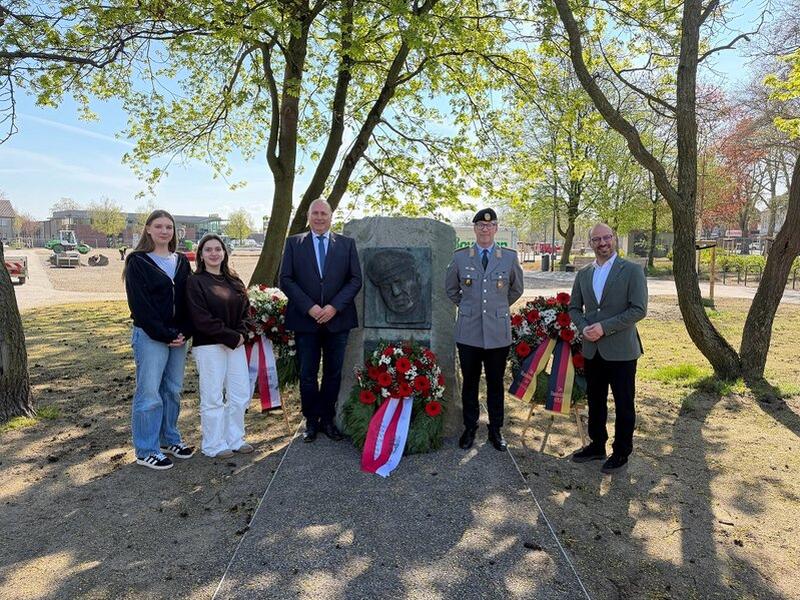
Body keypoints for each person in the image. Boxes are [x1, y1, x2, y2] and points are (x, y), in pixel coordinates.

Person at [279, 198, 362, 442]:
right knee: (307, 373)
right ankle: (311, 420)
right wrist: (311, 308)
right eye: (314, 213)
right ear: (308, 215)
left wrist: (334, 307)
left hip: (338, 320)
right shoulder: (294, 243)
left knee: (333, 373)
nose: (319, 217)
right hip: (306, 321)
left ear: (331, 216)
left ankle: (327, 418)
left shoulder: (346, 244)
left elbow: (355, 280)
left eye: (323, 213)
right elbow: (286, 279)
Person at [568, 223, 648, 473]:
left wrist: (604, 327)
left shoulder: (632, 271)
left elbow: (638, 309)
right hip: (593, 350)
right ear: (590, 243)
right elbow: (573, 308)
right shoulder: (583, 274)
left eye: (607, 238)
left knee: (624, 403)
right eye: (596, 239)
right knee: (596, 400)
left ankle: (622, 451)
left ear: (614, 238)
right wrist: (583, 328)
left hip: (622, 351)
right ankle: (597, 445)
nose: (602, 243)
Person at [445, 208, 524, 451]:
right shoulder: (460, 258)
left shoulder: (508, 257)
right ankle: (470, 428)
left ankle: (495, 429)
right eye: (480, 225)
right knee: (470, 382)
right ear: (475, 229)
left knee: (495, 382)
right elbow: (451, 290)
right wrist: (470, 307)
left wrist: (498, 309)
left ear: (496, 228)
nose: (485, 229)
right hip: (468, 332)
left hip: (497, 333)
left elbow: (516, 289)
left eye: (489, 225)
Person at [123, 210, 194, 470]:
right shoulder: (138, 262)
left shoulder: (182, 262)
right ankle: (146, 449)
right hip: (151, 337)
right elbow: (140, 306)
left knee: (172, 390)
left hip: (178, 336)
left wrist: (184, 331)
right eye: (159, 226)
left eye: (169, 227)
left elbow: (189, 300)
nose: (165, 231)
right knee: (150, 392)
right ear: (148, 230)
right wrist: (165, 333)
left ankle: (169, 438)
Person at [186, 234, 254, 458]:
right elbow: (200, 318)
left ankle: (235, 438)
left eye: (218, 249)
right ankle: (213, 444)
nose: (214, 253)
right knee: (213, 395)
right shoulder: (195, 282)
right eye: (208, 250)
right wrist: (232, 337)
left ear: (224, 252)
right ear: (201, 255)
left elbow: (247, 312)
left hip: (236, 345)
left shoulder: (234, 281)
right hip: (209, 346)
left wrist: (242, 334)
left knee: (240, 393)